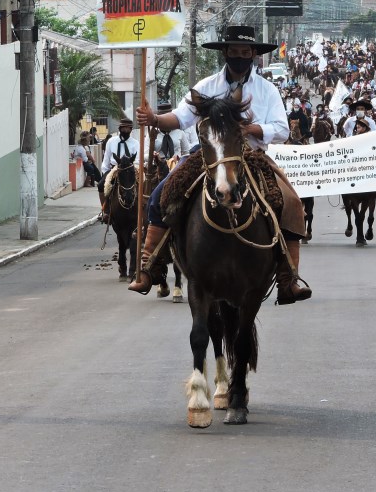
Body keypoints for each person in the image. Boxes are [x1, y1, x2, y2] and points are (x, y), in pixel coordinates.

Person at [129, 25, 311, 304]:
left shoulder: (267, 90)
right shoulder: (206, 87)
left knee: (292, 203)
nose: (239, 56)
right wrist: (154, 119)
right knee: (160, 195)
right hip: (207, 157)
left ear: (253, 55)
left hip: (251, 156)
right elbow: (179, 118)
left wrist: (250, 130)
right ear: (225, 53)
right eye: (234, 51)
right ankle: (150, 263)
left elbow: (282, 129)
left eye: (245, 52)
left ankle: (289, 277)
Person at [98, 118, 139, 223]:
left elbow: (138, 160)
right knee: (101, 184)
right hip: (115, 168)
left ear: (131, 129)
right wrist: (105, 174)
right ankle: (106, 212)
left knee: (142, 184)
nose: (125, 130)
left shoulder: (135, 143)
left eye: (128, 128)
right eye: (123, 128)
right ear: (120, 128)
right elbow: (106, 159)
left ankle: (142, 209)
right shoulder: (111, 141)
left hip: (130, 169)